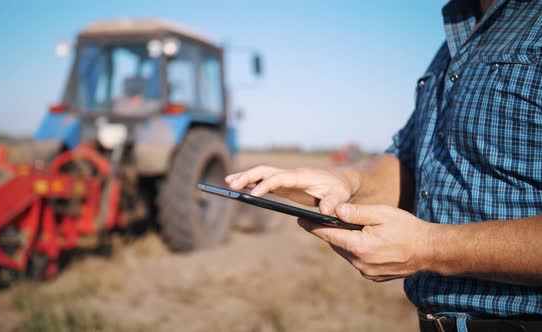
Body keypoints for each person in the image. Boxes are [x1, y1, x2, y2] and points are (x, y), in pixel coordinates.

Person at [226, 0, 542, 331]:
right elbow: (408, 164)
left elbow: (429, 242)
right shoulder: (455, 39)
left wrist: (430, 248)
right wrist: (347, 182)